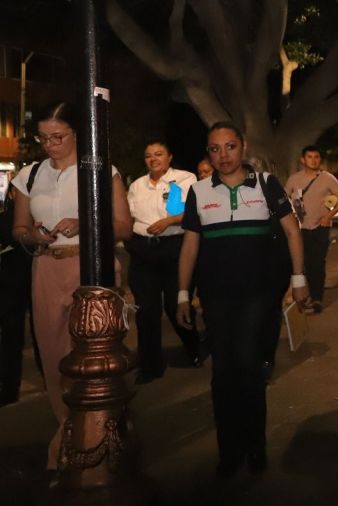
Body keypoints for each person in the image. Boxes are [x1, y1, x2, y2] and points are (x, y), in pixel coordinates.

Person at [176, 122, 307, 478]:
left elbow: (292, 231)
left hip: (258, 295)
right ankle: (229, 451)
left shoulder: (266, 184)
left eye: (230, 146)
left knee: (249, 366)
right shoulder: (198, 191)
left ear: (243, 146)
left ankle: (255, 446)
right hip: (216, 297)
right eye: (214, 149)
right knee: (223, 372)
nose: (223, 155)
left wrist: (299, 279)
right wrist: (183, 293)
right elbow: (190, 245)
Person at [10, 102, 133, 470]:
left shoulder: (100, 170)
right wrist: (33, 236)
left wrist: (85, 223)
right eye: (43, 138)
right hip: (46, 267)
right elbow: (19, 230)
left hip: (90, 267)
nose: (50, 145)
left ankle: (101, 431)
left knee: (94, 354)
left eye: (58, 137)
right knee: (53, 357)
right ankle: (68, 432)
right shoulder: (29, 175)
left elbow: (124, 227)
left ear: (77, 133)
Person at [126, 140, 201, 384]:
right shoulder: (137, 185)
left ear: (169, 157)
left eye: (159, 154)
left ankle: (193, 347)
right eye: (148, 155)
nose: (153, 159)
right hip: (143, 250)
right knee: (146, 310)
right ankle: (150, 365)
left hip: (174, 248)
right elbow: (130, 216)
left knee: (175, 304)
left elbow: (193, 211)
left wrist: (169, 221)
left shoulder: (185, 179)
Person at [284, 146, 338, 314]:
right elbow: (284, 200)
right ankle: (304, 295)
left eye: (316, 157)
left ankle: (317, 298)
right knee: (301, 263)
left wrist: (329, 216)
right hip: (300, 229)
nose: (313, 160)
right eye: (310, 157)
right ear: (302, 160)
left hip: (320, 227)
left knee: (317, 263)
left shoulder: (327, 178)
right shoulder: (294, 179)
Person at [0, 187, 34, 405]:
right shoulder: (8, 216)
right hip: (12, 283)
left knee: (15, 338)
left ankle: (9, 390)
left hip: (22, 280)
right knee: (12, 338)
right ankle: (9, 389)